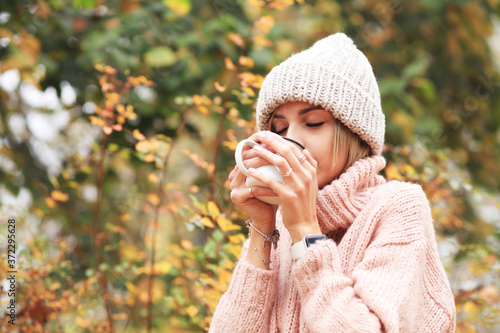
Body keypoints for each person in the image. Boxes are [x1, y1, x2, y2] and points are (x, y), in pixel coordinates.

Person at [209, 33, 456, 332]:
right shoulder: (281, 226)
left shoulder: (398, 207)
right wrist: (262, 228)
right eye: (280, 128)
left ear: (353, 133)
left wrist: (305, 232)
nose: (292, 140)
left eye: (313, 123)